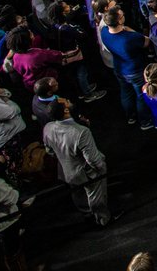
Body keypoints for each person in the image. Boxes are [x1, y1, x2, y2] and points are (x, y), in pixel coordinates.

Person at [41, 97, 114, 226]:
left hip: (66, 171)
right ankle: (103, 220)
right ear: (65, 111)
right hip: (86, 172)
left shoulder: (48, 128)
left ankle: (86, 214)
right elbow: (92, 159)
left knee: (78, 194)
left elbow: (49, 151)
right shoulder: (81, 132)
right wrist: (101, 168)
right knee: (95, 195)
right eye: (67, 102)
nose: (69, 101)